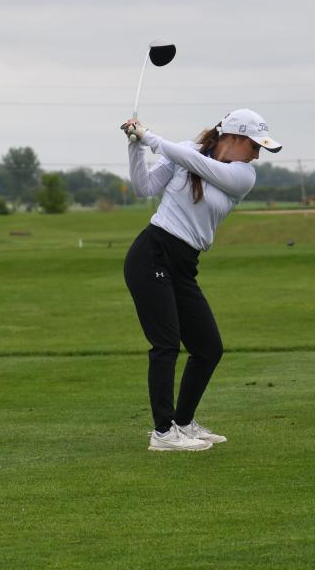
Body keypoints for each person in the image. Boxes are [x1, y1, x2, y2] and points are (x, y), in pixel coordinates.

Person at [120, 109, 282, 451]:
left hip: (184, 263)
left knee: (208, 348)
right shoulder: (185, 152)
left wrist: (150, 137)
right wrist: (135, 145)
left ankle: (183, 421)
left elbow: (193, 161)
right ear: (233, 138)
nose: (257, 155)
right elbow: (142, 187)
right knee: (166, 344)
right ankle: (164, 433)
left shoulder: (241, 176)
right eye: (254, 146)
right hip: (152, 253)